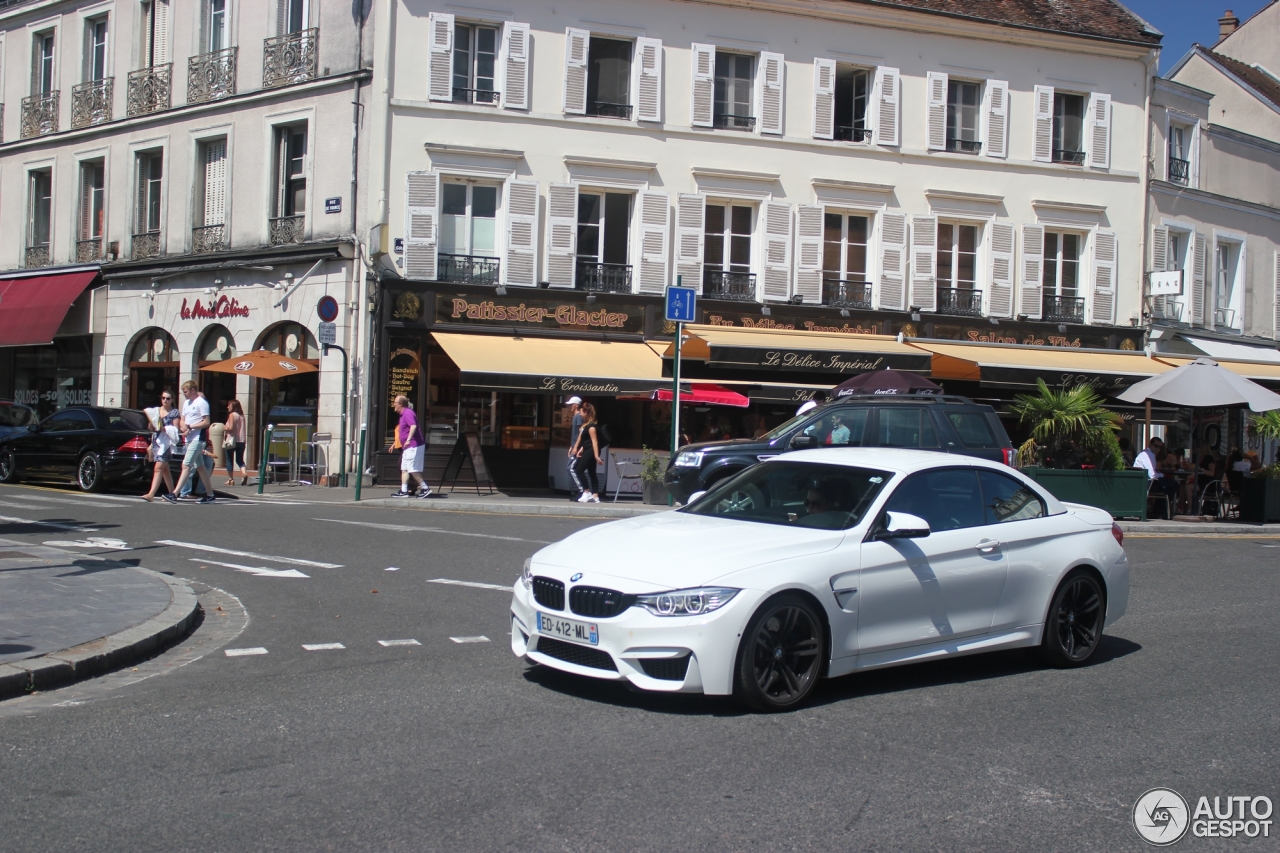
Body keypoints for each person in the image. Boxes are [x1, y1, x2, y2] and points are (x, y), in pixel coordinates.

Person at [164, 381, 216, 504]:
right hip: (189, 438)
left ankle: (175, 494)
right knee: (200, 467)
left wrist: (191, 427)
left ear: (193, 390)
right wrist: (184, 427)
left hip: (198, 439)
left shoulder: (202, 403)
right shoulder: (187, 403)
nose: (184, 394)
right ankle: (210, 494)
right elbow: (182, 419)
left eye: (186, 391)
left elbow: (206, 422)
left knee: (186, 465)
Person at [391, 394, 431, 497]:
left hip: (413, 446)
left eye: (395, 403)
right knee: (404, 468)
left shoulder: (408, 413)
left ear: (400, 404)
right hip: (407, 447)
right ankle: (404, 491)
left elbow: (413, 426)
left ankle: (425, 488)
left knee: (412, 469)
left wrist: (408, 439)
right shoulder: (402, 415)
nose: (393, 404)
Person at [141, 390, 177, 501]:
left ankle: (151, 494)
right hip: (156, 442)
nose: (165, 400)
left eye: (168, 398)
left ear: (172, 400)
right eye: (163, 398)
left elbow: (176, 429)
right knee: (165, 470)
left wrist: (164, 428)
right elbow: (150, 428)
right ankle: (172, 493)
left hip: (166, 443)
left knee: (158, 468)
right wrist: (152, 422)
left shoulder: (174, 412)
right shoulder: (156, 411)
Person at [571, 401, 603, 503]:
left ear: (587, 413)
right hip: (587, 450)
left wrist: (596, 456)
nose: (580, 414)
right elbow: (586, 440)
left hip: (591, 451)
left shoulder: (592, 427)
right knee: (592, 473)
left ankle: (587, 491)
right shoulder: (586, 426)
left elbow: (594, 442)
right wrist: (580, 449)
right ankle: (595, 496)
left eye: (581, 412)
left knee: (578, 469)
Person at [1134, 436, 1176, 512]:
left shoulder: (1148, 454)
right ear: (1150, 444)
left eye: (1159, 447)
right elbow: (1152, 475)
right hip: (1146, 483)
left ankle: (1159, 511)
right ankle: (1161, 511)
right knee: (1172, 485)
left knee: (1169, 486)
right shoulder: (1148, 454)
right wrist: (1162, 475)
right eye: (1155, 446)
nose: (1157, 449)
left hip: (1142, 482)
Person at [564, 396, 584, 501]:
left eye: (571, 404)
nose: (569, 406)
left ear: (576, 405)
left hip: (577, 448)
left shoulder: (578, 417)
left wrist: (576, 447)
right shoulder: (576, 416)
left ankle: (582, 490)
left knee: (571, 468)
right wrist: (572, 446)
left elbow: (581, 432)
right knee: (573, 468)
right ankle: (582, 490)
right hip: (575, 447)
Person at [224, 400, 248, 486]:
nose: (228, 407)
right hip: (241, 441)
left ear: (234, 406)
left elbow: (230, 428)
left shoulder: (232, 415)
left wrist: (224, 427)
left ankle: (231, 479)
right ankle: (244, 472)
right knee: (239, 460)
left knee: (229, 460)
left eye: (229, 405)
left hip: (231, 440)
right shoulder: (242, 416)